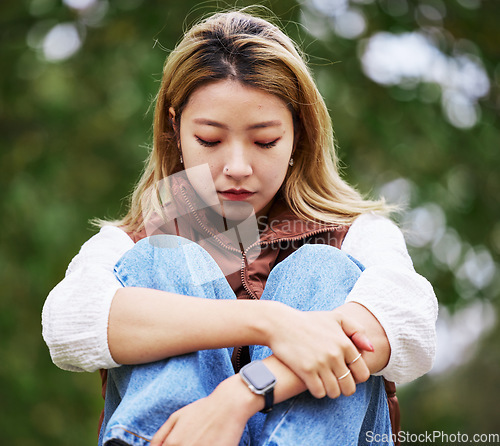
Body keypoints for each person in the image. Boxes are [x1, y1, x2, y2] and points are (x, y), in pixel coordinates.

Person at [42, 9, 438, 446]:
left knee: (322, 269)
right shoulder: (130, 243)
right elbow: (70, 325)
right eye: (210, 140)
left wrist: (239, 396)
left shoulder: (359, 235)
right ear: (175, 129)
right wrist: (267, 322)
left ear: (298, 134)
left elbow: (407, 325)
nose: (236, 167)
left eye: (264, 140)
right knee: (163, 258)